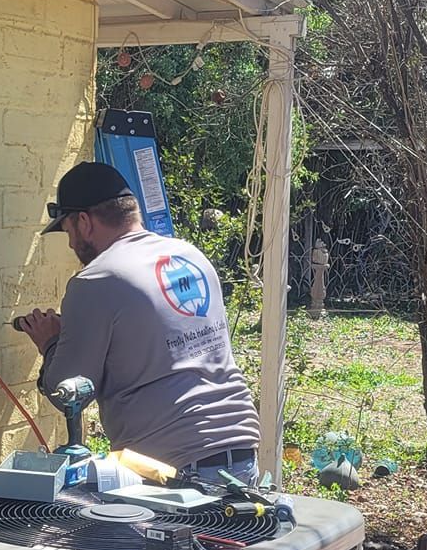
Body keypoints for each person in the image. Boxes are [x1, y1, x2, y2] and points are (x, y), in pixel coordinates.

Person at [17, 160, 261, 484]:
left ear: (85, 222)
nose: (72, 245)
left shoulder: (95, 280)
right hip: (242, 452)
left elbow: (69, 391)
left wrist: (50, 342)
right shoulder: (190, 256)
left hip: (175, 468)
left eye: (68, 232)